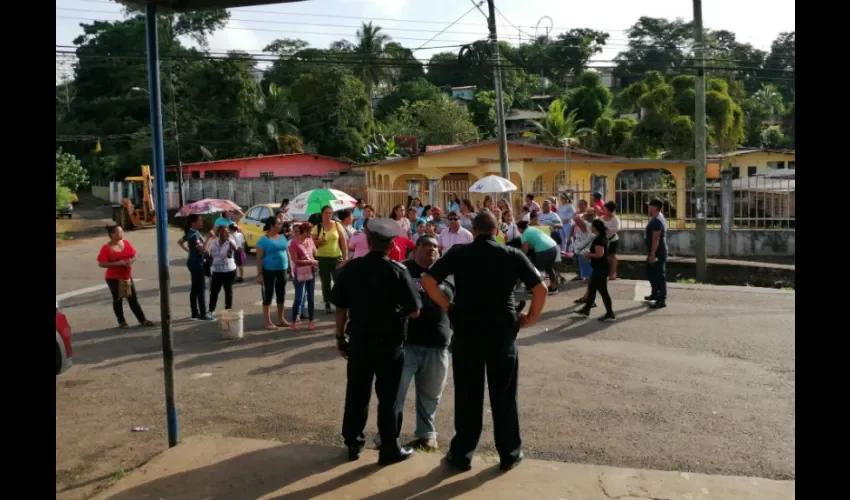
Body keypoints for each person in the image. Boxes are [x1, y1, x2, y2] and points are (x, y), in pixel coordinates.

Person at [421, 212, 547, 472]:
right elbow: (540, 288)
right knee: (504, 395)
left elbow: (428, 280)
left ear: (474, 229)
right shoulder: (511, 255)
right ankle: (509, 453)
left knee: (468, 394)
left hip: (467, 330)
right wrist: (531, 317)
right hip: (502, 331)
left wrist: (448, 307)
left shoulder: (458, 253)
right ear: (496, 229)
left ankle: (462, 454)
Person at [329, 218, 422, 466]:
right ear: (392, 245)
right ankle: (389, 448)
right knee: (388, 397)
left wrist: (340, 337)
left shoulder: (351, 268)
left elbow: (340, 307)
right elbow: (415, 312)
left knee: (357, 392)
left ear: (368, 242)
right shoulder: (398, 271)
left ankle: (353, 442)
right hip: (389, 343)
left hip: (359, 340)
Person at [381, 235, 454, 452]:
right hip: (406, 343)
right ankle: (387, 437)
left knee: (431, 395)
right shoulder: (401, 270)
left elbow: (454, 302)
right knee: (396, 393)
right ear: (415, 249)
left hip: (437, 343)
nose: (431, 249)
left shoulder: (446, 274)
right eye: (426, 245)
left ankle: (426, 435)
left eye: (434, 246)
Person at [97, 225, 154, 328]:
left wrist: (130, 262)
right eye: (119, 232)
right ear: (112, 234)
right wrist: (117, 264)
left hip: (126, 276)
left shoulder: (126, 243)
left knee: (132, 298)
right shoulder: (106, 248)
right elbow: (101, 263)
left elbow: (134, 255)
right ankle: (122, 321)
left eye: (122, 232)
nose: (122, 234)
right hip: (113, 277)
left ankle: (143, 320)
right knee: (118, 299)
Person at [573, 219, 616, 322]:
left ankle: (610, 313)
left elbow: (599, 254)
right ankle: (586, 310)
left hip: (601, 268)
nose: (590, 228)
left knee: (603, 291)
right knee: (592, 289)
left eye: (591, 226)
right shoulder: (599, 237)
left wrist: (589, 255)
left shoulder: (599, 239)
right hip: (599, 268)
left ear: (595, 227)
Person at [256, 216, 291, 329]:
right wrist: (260, 274)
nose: (281, 225)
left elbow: (287, 253)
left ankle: (281, 319)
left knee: (281, 294)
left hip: (283, 269)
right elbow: (259, 259)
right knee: (268, 295)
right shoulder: (263, 240)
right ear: (272, 226)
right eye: (279, 224)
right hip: (269, 271)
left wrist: (291, 268)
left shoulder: (282, 237)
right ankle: (268, 321)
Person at [313, 205, 349, 314]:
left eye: (330, 213)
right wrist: (320, 241)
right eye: (326, 213)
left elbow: (343, 242)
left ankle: (339, 302)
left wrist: (345, 256)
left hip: (336, 257)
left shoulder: (337, 225)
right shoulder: (318, 227)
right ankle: (327, 302)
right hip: (322, 258)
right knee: (325, 282)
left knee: (338, 281)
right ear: (322, 214)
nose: (328, 215)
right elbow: (311, 243)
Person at [178, 214, 214, 321]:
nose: (201, 222)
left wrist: (189, 251)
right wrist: (208, 238)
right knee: (201, 288)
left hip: (193, 261)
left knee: (195, 288)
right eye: (199, 220)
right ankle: (203, 313)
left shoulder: (192, 233)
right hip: (197, 263)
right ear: (193, 223)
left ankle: (195, 312)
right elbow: (202, 249)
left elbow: (180, 242)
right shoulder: (194, 235)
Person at [288, 222, 318, 329]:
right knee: (299, 297)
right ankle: (293, 321)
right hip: (299, 272)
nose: (312, 233)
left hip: (311, 271)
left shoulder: (310, 240)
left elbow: (315, 253)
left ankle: (311, 321)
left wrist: (317, 244)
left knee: (311, 297)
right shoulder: (294, 243)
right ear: (304, 231)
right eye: (310, 231)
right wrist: (311, 262)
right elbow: (295, 260)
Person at [517, 220, 560, 294]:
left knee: (535, 270)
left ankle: (536, 289)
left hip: (544, 250)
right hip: (553, 246)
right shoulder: (533, 229)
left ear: (520, 229)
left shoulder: (524, 235)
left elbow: (525, 251)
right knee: (549, 268)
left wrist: (519, 258)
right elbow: (533, 242)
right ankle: (553, 288)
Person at [207, 224, 239, 316]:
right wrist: (208, 267)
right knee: (214, 291)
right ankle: (211, 309)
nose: (225, 234)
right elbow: (210, 255)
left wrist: (229, 240)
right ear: (218, 233)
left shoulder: (230, 242)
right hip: (216, 270)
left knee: (228, 290)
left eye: (227, 232)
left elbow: (236, 249)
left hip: (229, 271)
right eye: (222, 232)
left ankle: (228, 309)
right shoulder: (213, 242)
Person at [645, 199, 668, 309]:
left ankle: (661, 299)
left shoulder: (657, 220)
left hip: (658, 252)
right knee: (651, 272)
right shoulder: (656, 217)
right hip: (655, 251)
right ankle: (655, 293)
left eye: (650, 206)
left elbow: (656, 239)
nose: (648, 208)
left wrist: (653, 254)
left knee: (659, 275)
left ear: (655, 207)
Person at [601, 201, 621, 280]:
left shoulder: (615, 219)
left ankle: (613, 272)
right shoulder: (601, 218)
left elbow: (616, 229)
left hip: (612, 240)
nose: (603, 210)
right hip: (603, 240)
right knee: (603, 256)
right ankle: (605, 272)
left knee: (612, 256)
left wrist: (606, 228)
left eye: (605, 209)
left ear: (610, 210)